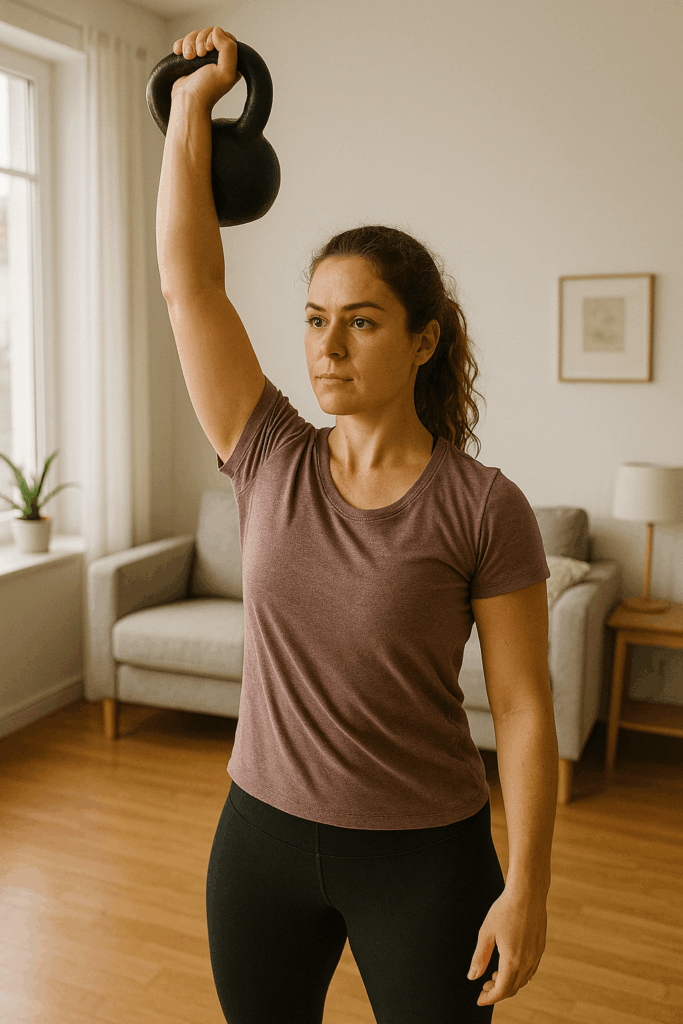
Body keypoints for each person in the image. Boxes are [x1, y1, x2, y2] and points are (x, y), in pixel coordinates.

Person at [158, 25, 559, 1024]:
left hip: (423, 855)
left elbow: (518, 708)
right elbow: (190, 283)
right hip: (258, 840)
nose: (325, 344)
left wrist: (528, 884)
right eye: (311, 317)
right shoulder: (266, 451)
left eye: (361, 319)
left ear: (422, 339)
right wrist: (187, 109)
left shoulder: (482, 504)